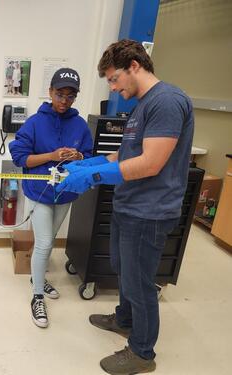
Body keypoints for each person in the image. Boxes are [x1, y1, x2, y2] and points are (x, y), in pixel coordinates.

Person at [56, 39, 194, 374]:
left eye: (115, 78)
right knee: (122, 267)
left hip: (150, 211)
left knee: (139, 281)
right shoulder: (142, 107)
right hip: (129, 205)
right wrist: (88, 165)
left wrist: (96, 177)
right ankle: (124, 318)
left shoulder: (167, 101)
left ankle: (142, 352)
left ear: (134, 66)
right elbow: (125, 155)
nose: (114, 88)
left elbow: (150, 164)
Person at [10, 68, 93, 328]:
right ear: (50, 92)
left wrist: (77, 157)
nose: (64, 100)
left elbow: (88, 157)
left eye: (70, 96)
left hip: (66, 193)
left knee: (47, 242)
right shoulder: (35, 122)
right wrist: (52, 156)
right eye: (59, 94)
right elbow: (20, 157)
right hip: (39, 192)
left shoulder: (80, 125)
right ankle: (36, 297)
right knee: (45, 243)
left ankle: (37, 278)